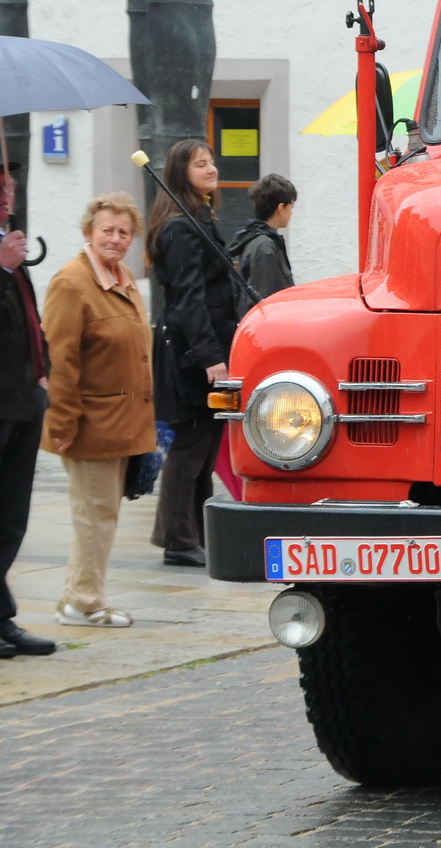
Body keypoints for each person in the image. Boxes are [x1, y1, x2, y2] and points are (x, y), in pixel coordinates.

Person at [42, 193, 155, 627]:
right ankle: (83, 603)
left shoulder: (121, 276)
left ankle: (81, 596)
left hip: (121, 424)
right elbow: (59, 360)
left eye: (123, 232)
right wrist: (62, 424)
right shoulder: (72, 282)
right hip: (89, 423)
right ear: (88, 231)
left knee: (101, 514)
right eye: (107, 230)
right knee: (94, 516)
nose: (115, 239)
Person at [147, 139, 238, 567]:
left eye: (212, 161)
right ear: (180, 172)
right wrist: (209, 357)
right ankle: (177, 539)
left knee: (204, 444)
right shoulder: (179, 229)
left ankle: (194, 534)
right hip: (191, 354)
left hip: (207, 348)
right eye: (200, 164)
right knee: (190, 444)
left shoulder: (198, 219)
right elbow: (189, 299)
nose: (211, 168)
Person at [0, 164, 55, 656]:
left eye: (9, 186)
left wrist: (44, 372)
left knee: (10, 516)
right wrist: (0, 269)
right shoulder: (5, 255)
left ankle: (1, 617)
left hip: (22, 399)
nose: (7, 193)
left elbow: (32, 321)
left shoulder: (11, 246)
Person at [227, 173, 296, 305]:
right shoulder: (265, 246)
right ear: (281, 208)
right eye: (291, 206)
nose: (292, 212)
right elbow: (267, 298)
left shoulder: (258, 241)